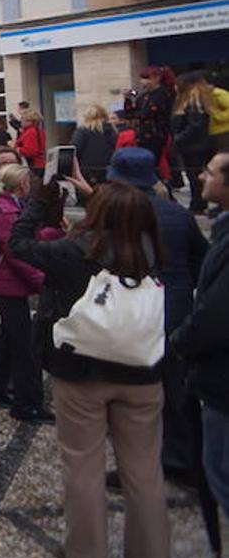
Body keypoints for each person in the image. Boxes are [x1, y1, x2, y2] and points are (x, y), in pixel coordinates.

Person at [7, 182, 172, 558]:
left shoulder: (76, 250)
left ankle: (86, 555)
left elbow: (18, 243)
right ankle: (152, 557)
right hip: (141, 368)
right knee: (145, 472)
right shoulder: (151, 249)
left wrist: (39, 201)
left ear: (97, 214)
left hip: (83, 370)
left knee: (82, 466)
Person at [106, 148, 208, 488]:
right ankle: (182, 459)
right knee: (174, 388)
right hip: (175, 307)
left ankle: (136, 467)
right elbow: (201, 260)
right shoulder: (177, 213)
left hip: (135, 312)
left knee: (136, 396)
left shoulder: (118, 216)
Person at [172, 150, 229, 512]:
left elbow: (216, 315)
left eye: (209, 173)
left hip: (221, 377)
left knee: (221, 472)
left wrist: (182, 341)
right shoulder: (214, 227)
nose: (201, 178)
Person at [0, 164, 52, 423]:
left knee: (8, 337)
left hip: (8, 281)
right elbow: (16, 252)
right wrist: (42, 279)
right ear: (22, 185)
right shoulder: (4, 211)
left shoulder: (2, 205)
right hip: (8, 283)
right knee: (24, 346)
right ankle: (27, 404)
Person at [173, 72, 215, 214]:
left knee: (195, 177)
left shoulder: (192, 101)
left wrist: (178, 139)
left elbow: (195, 126)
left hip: (194, 147)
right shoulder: (202, 99)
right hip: (204, 144)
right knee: (202, 176)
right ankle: (204, 204)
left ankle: (198, 205)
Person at [129, 65, 177, 167]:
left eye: (146, 78)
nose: (143, 82)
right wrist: (128, 100)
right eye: (142, 78)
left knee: (153, 163)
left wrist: (137, 114)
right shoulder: (143, 96)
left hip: (156, 135)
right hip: (142, 135)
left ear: (156, 78)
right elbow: (131, 113)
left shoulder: (162, 94)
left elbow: (147, 114)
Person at [71, 104, 117, 187]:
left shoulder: (82, 131)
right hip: (108, 171)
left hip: (87, 172)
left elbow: (75, 151)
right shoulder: (112, 130)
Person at [15, 109, 46, 176]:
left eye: (23, 119)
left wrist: (17, 149)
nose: (21, 121)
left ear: (31, 121)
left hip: (32, 166)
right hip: (39, 164)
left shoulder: (30, 132)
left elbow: (31, 151)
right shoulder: (38, 131)